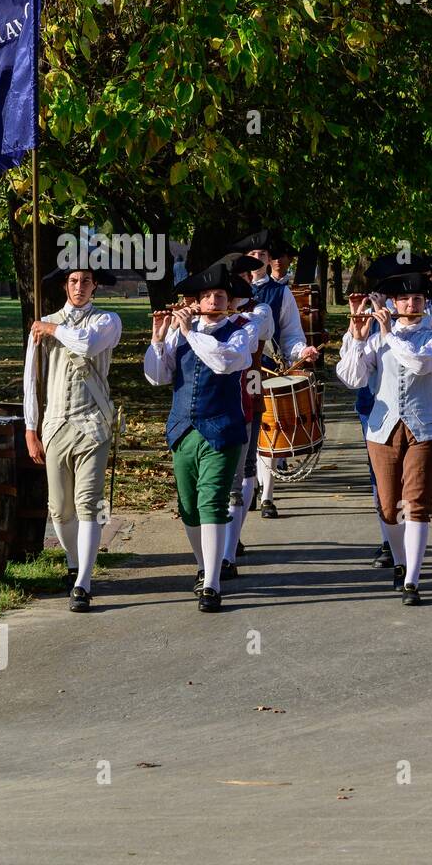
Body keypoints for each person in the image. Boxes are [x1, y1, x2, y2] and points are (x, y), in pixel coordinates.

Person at [144, 262, 256, 613]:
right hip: (182, 429)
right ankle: (203, 565)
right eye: (205, 295)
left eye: (218, 295)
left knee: (212, 502)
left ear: (229, 301)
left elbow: (223, 362)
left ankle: (212, 583)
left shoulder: (242, 331)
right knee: (188, 507)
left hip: (222, 430)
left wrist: (190, 331)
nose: (211, 300)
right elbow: (157, 377)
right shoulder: (180, 333)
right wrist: (159, 338)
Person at [335, 271, 432, 605]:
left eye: (416, 300)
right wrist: (357, 339)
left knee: (415, 502)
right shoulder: (375, 338)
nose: (410, 304)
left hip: (425, 428)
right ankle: (400, 563)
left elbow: (418, 364)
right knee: (388, 506)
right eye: (403, 300)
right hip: (382, 428)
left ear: (425, 304)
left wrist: (386, 331)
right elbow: (352, 379)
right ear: (393, 303)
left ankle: (413, 579)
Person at [22, 265, 122, 613]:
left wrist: (52, 329)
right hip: (55, 427)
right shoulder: (43, 323)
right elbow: (30, 381)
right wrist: (30, 429)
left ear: (95, 287)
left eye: (86, 281)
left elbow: (87, 344)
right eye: (74, 281)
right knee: (60, 510)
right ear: (66, 285)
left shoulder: (107, 321)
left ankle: (83, 583)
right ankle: (74, 561)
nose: (80, 287)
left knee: (88, 504)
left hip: (93, 425)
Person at [242, 236, 320, 518]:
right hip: (235, 369)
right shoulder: (230, 289)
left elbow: (291, 333)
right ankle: (244, 488)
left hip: (267, 369)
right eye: (252, 252)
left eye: (262, 252)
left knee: (268, 428)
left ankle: (267, 496)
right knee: (243, 429)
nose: (257, 257)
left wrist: (302, 350)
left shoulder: (280, 292)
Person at [216, 255, 275, 580]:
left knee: (245, 470)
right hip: (213, 399)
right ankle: (222, 539)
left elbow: (258, 330)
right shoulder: (208, 311)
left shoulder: (258, 310)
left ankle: (232, 542)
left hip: (247, 395)